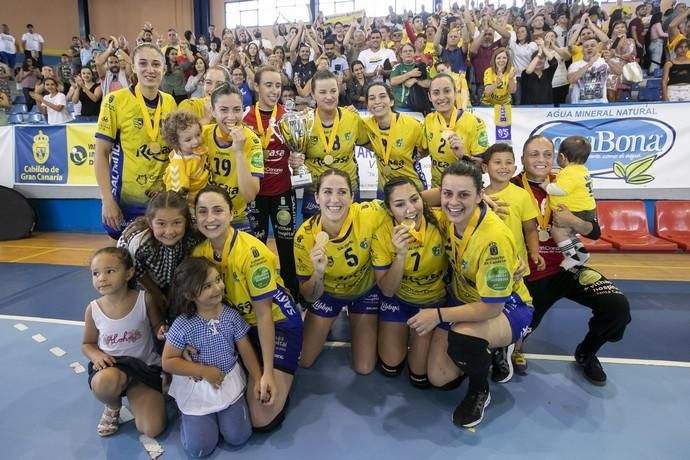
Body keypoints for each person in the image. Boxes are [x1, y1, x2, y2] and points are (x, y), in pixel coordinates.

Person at [409, 160, 534, 428]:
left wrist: (437, 314)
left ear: (480, 195)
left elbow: (491, 308)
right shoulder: (447, 216)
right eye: (447, 193)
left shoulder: (493, 239)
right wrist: (457, 194)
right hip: (463, 298)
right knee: (439, 378)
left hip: (508, 306)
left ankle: (480, 390)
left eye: (464, 194)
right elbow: (414, 200)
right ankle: (485, 348)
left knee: (463, 338)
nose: (453, 202)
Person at [511, 135, 631, 384]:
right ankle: (515, 346)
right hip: (531, 275)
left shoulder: (568, 181)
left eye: (547, 154)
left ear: (556, 157)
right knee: (514, 335)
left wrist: (574, 222)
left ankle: (587, 353)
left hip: (569, 267)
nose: (541, 159)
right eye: (534, 154)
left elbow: (595, 231)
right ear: (522, 159)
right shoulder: (511, 187)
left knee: (617, 307)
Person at [193, 185, 303, 432]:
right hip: (237, 328)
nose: (210, 218)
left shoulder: (252, 254)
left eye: (218, 210)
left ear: (231, 214)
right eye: (203, 212)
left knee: (261, 419)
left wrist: (267, 375)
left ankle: (277, 372)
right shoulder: (199, 253)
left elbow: (264, 315)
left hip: (276, 323)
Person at [163, 258, 262, 458]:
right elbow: (168, 361)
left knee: (239, 437)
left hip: (227, 382)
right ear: (190, 294)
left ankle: (221, 416)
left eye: (218, 279)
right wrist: (203, 371)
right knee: (199, 449)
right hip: (197, 387)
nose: (218, 287)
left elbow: (245, 350)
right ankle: (190, 417)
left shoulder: (232, 317)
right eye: (207, 286)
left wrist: (258, 378)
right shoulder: (183, 325)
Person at [294, 169, 387, 374]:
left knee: (364, 368)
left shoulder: (368, 214)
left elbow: (405, 200)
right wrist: (318, 273)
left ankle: (364, 319)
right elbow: (309, 295)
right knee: (304, 360)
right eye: (327, 192)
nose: (334, 199)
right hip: (328, 294)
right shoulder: (304, 237)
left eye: (342, 192)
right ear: (316, 197)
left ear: (352, 197)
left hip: (364, 292)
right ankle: (330, 317)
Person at [94, 43, 178, 239]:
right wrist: (107, 199)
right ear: (133, 66)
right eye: (143, 63)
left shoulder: (170, 102)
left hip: (162, 200)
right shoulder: (115, 101)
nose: (150, 69)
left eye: (156, 64)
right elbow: (100, 153)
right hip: (127, 199)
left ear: (164, 69)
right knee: (128, 263)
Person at [371, 177, 448, 388]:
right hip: (399, 300)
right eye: (400, 204)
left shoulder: (441, 221)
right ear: (389, 210)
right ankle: (397, 331)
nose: (410, 209)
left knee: (420, 377)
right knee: (390, 367)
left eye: (414, 199)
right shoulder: (382, 234)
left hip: (433, 303)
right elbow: (387, 290)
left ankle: (420, 338)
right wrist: (400, 254)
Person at [81, 247, 166, 438]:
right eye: (96, 273)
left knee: (152, 429)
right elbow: (87, 343)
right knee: (103, 383)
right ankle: (112, 406)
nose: (101, 278)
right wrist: (98, 355)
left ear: (129, 273)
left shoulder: (145, 299)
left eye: (109, 271)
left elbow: (156, 326)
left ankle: (147, 392)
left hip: (144, 369)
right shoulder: (93, 309)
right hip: (113, 368)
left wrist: (161, 330)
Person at [243, 66, 300, 302]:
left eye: (278, 85)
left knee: (287, 249)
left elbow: (298, 149)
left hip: (282, 191)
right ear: (256, 86)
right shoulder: (244, 116)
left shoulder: (289, 116)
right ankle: (256, 297)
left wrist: (297, 159)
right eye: (268, 85)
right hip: (255, 193)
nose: (274, 90)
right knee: (255, 248)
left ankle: (293, 299)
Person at [117, 191, 200, 320]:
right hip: (141, 274)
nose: (169, 231)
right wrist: (157, 294)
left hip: (172, 270)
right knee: (152, 307)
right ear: (150, 223)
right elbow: (137, 271)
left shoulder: (192, 236)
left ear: (187, 222)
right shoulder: (140, 243)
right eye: (161, 224)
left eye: (177, 223)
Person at [302, 70, 368, 219]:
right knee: (315, 238)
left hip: (347, 188)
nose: (329, 97)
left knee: (350, 236)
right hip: (315, 192)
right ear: (313, 94)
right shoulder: (304, 122)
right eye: (323, 92)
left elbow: (370, 144)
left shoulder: (352, 118)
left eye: (333, 91)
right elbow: (295, 156)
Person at [202, 83, 263, 233]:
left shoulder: (253, 141)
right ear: (213, 111)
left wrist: (239, 152)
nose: (231, 117)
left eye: (237, 110)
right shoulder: (201, 135)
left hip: (237, 217)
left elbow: (249, 195)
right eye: (223, 110)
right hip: (205, 215)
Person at [422, 73, 489, 188]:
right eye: (436, 93)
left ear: (455, 92)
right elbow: (423, 150)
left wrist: (463, 156)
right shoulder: (429, 120)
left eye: (447, 91)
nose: (442, 97)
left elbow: (482, 167)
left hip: (466, 190)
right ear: (429, 97)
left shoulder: (475, 122)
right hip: (438, 189)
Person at [540, 136, 596, 270]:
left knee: (557, 231)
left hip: (576, 211)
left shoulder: (569, 172)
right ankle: (581, 252)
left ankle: (571, 256)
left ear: (562, 157)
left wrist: (547, 187)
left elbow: (561, 189)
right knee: (569, 234)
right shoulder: (582, 170)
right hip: (586, 210)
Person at [362, 82, 425, 197]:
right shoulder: (365, 125)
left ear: (391, 101)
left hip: (411, 188)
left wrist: (417, 155)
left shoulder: (412, 125)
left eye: (382, 96)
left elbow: (428, 148)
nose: (377, 101)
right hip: (384, 190)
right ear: (367, 105)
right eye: (372, 98)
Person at [161, 111, 209, 206]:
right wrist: (203, 202)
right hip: (191, 206)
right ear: (175, 142)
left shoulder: (194, 150)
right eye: (188, 140)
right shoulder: (178, 167)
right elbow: (178, 197)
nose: (196, 141)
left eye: (198, 135)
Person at [567, 38, 610, 104]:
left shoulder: (604, 62)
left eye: (592, 45)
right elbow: (571, 80)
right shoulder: (575, 65)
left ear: (597, 49)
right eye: (586, 47)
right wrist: (590, 63)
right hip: (579, 106)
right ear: (582, 51)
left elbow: (619, 72)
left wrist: (610, 61)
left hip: (601, 105)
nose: (589, 48)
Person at [390, 43, 431, 109]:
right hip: (399, 106)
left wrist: (416, 81)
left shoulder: (421, 67)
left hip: (417, 106)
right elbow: (393, 81)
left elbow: (429, 83)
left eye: (410, 51)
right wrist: (410, 74)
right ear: (401, 55)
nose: (408, 53)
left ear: (414, 53)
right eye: (405, 51)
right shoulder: (397, 67)